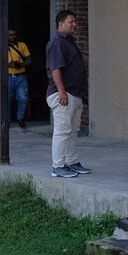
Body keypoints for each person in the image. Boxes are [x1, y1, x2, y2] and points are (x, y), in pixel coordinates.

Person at [45, 9, 90, 178]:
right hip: (63, 94)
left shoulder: (69, 42)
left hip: (74, 94)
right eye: (71, 22)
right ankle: (57, 166)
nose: (74, 25)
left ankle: (71, 161)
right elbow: (55, 68)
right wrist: (62, 92)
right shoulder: (57, 42)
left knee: (72, 131)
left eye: (75, 22)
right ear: (61, 24)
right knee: (62, 131)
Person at [4, 26, 32, 130]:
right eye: (10, 35)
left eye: (14, 34)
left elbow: (29, 60)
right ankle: (7, 120)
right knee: (8, 100)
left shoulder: (22, 45)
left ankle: (20, 118)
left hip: (21, 76)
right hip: (9, 77)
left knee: (23, 98)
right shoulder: (3, 46)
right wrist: (9, 65)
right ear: (6, 36)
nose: (13, 36)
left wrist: (21, 65)